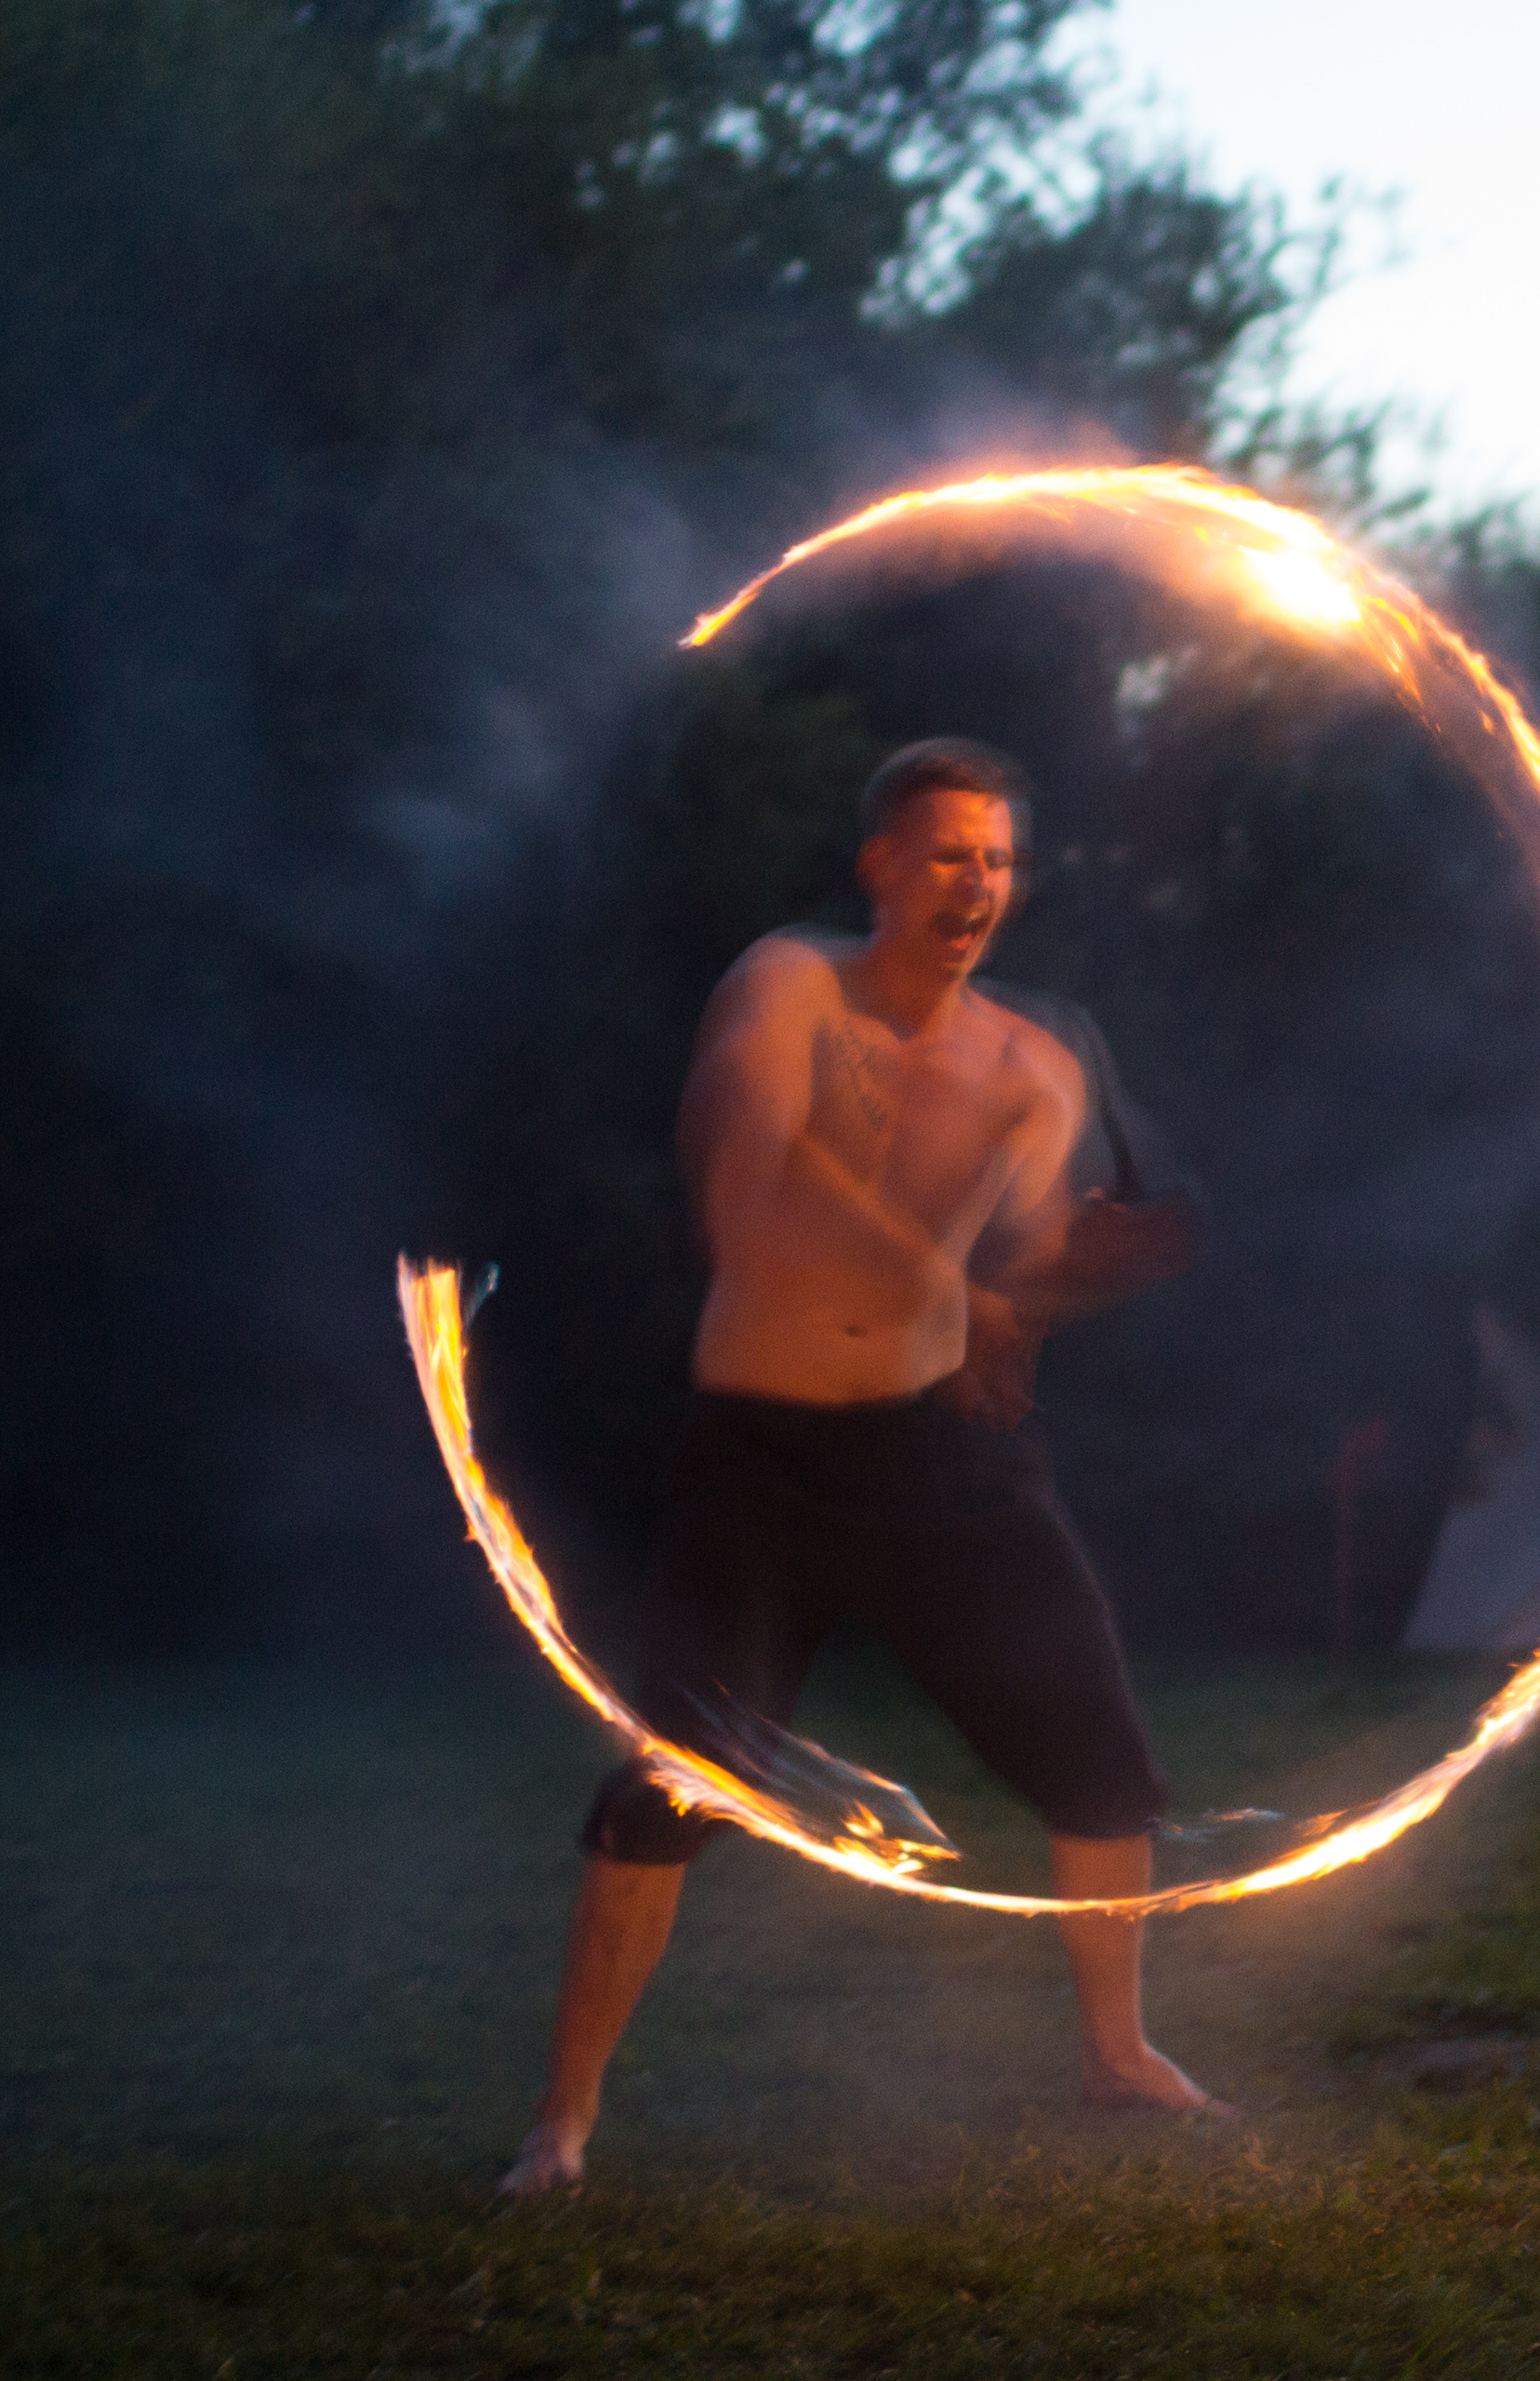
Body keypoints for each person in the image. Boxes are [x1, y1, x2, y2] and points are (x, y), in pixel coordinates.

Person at [500, 740, 1210, 2196]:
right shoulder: (787, 989)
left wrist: (1085, 1273)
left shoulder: (1033, 1067)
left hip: (942, 1465)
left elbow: (1017, 1269)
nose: (977, 886)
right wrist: (951, 1289)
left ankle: (1118, 2055)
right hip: (761, 1467)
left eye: (998, 861)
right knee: (670, 1784)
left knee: (1099, 1757)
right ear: (880, 863)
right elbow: (752, 1174)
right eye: (949, 855)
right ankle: (560, 2126)